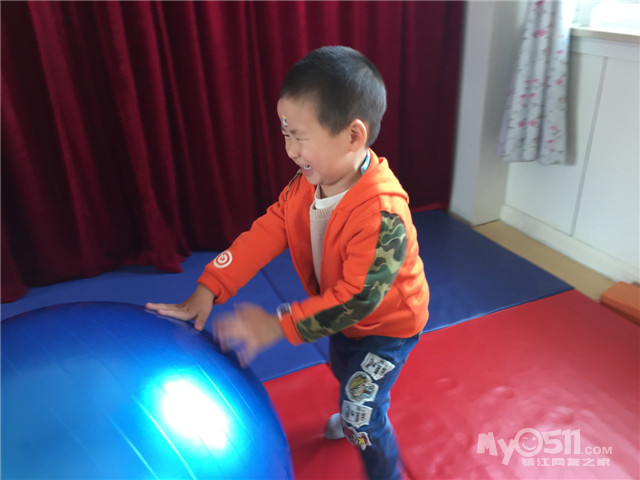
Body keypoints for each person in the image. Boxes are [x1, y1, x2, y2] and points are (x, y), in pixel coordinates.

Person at [146, 45, 429, 480]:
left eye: (299, 136)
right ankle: (353, 409)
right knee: (345, 374)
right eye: (284, 133)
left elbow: (357, 300)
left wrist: (276, 326)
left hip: (387, 327)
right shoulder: (308, 183)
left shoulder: (382, 214)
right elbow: (268, 230)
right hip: (343, 319)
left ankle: (377, 456)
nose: (290, 149)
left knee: (362, 415)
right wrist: (211, 286)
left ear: (353, 136)